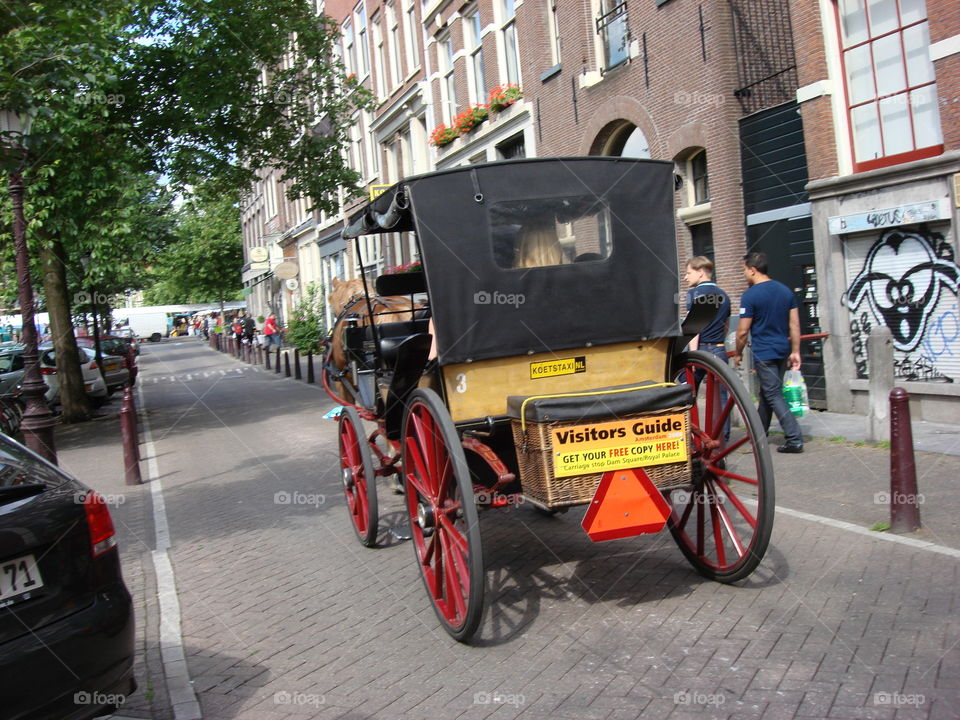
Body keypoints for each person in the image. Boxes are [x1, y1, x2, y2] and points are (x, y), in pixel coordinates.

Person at [734, 252, 804, 453]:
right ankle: (759, 437)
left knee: (773, 393)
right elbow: (795, 324)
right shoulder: (785, 291)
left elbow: (742, 331)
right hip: (782, 349)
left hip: (764, 352)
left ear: (753, 270)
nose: (744, 273)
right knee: (766, 393)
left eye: (745, 270)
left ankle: (794, 438)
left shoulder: (750, 295)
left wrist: (738, 353)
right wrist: (796, 351)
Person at [684, 256, 731, 439]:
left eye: (689, 273)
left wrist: (693, 356)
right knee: (722, 396)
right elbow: (726, 325)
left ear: (700, 272)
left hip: (702, 350)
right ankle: (723, 437)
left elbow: (693, 329)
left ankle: (689, 433)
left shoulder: (695, 295)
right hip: (719, 349)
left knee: (685, 391)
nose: (686, 277)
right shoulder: (724, 295)